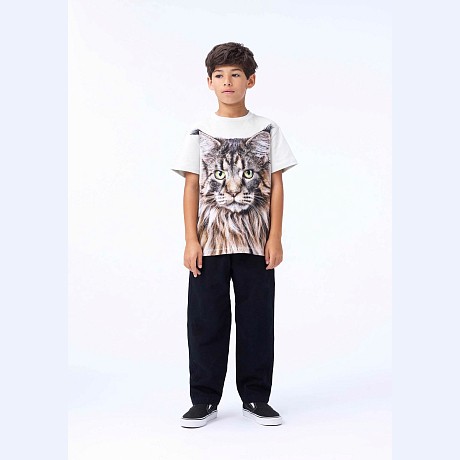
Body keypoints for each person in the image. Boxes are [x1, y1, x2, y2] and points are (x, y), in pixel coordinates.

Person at [171, 42, 298, 428]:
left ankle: (256, 398)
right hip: (208, 245)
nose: (228, 82)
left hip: (256, 245)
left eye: (236, 75)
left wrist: (275, 237)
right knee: (205, 322)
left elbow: (277, 185)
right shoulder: (199, 131)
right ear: (209, 82)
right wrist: (191, 239)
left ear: (250, 80)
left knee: (257, 321)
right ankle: (204, 399)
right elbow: (191, 186)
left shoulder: (268, 129)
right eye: (220, 75)